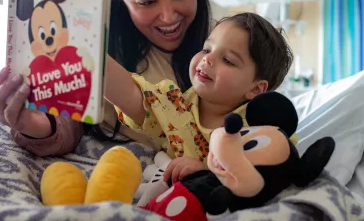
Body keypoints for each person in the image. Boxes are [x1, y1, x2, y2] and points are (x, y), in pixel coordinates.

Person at [0, 0, 211, 160]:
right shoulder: (93, 48)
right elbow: (66, 126)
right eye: (146, 2)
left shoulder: (221, 44)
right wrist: (38, 128)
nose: (169, 16)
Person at [108, 12, 294, 183]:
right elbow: (130, 93)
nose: (208, 59)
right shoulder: (174, 106)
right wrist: (87, 53)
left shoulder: (258, 131)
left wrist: (205, 170)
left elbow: (271, 174)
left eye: (227, 60)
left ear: (255, 88)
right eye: (206, 49)